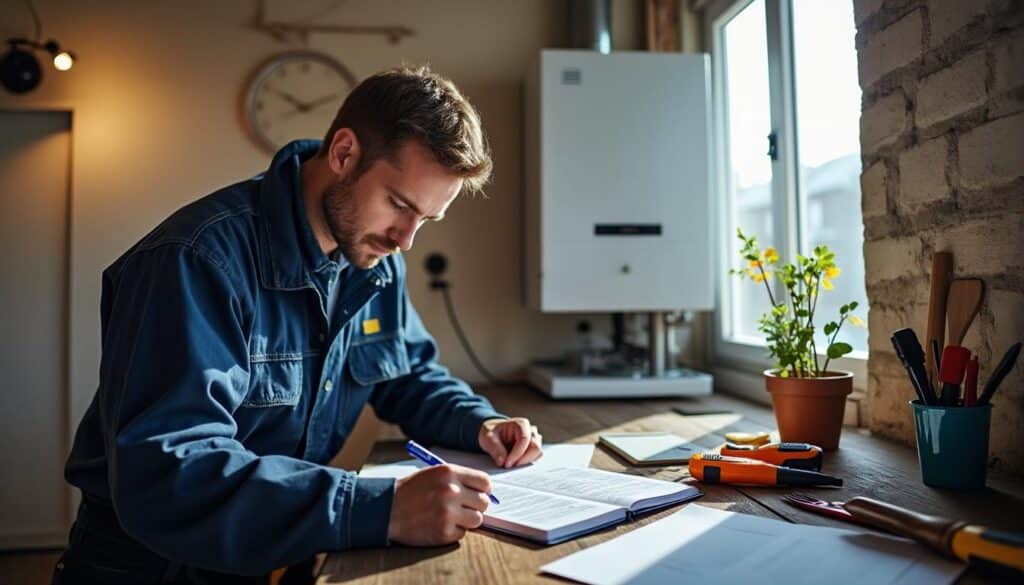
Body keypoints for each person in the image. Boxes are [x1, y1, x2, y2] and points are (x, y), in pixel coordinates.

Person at [53, 65, 543, 584]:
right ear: (344, 153)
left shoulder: (373, 258)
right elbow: (170, 471)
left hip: (269, 559)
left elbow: (406, 374)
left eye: (426, 219)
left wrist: (479, 423)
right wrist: (379, 506)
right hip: (149, 569)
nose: (406, 240)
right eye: (399, 205)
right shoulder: (195, 261)